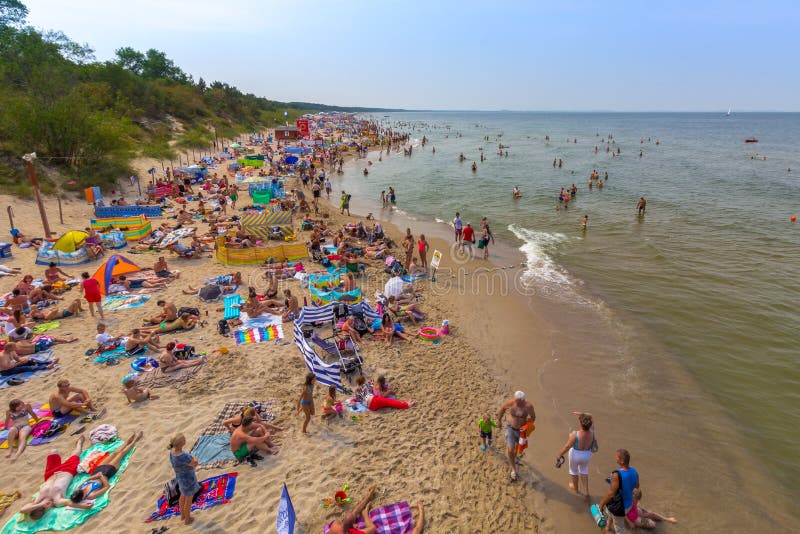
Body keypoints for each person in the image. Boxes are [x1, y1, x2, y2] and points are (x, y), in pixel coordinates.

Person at [19, 436, 89, 520]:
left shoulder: (37, 500)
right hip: (68, 471)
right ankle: (79, 443)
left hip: (50, 473)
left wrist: (40, 504)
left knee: (53, 451)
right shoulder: (57, 501)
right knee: (76, 455)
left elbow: (22, 510)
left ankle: (77, 444)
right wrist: (83, 506)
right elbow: (69, 503)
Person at [69, 431, 142, 505]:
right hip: (107, 473)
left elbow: (86, 480)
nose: (83, 489)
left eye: (82, 490)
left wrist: (95, 476)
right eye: (83, 491)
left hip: (97, 471)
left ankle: (127, 441)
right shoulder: (91, 495)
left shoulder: (79, 489)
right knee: (120, 454)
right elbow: (107, 487)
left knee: (114, 453)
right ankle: (135, 441)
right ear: (83, 497)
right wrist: (101, 477)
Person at [497, 390, 536, 481]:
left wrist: (528, 426)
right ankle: (513, 469)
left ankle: (514, 458)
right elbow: (502, 408)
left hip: (521, 432)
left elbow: (533, 417)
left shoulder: (528, 406)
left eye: (518, 402)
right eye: (515, 400)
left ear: (523, 400)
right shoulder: (511, 403)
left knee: (517, 450)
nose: (516, 403)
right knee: (510, 450)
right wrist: (499, 420)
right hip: (510, 428)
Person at [555, 411, 595, 500]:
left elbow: (567, 446)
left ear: (580, 423)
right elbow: (590, 415)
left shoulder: (575, 434)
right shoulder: (592, 432)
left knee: (573, 471)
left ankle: (575, 488)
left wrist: (559, 454)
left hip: (576, 454)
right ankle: (586, 492)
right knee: (584, 470)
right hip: (587, 454)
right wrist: (582, 415)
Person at [598, 449, 639, 534]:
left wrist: (601, 504)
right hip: (628, 503)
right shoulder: (634, 471)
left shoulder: (616, 474)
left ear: (622, 461)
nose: (615, 457)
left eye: (617, 456)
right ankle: (608, 528)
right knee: (610, 515)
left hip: (618, 507)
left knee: (619, 529)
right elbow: (637, 486)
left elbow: (611, 494)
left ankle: (609, 528)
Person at [168, 433, 200, 525]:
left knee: (182, 496)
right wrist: (194, 457)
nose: (185, 440)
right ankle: (187, 519)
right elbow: (194, 464)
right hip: (188, 479)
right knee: (188, 500)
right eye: (184, 439)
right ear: (181, 443)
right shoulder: (183, 456)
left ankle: (182, 515)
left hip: (180, 477)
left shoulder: (172, 452)